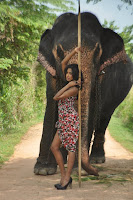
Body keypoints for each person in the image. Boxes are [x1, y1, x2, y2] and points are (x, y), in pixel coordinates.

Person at [50, 47, 97, 190]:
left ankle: (65, 179)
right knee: (54, 147)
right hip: (63, 120)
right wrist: (75, 51)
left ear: (75, 75)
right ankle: (65, 176)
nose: (68, 75)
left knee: (70, 149)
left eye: (71, 73)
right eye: (67, 73)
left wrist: (69, 85)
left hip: (70, 120)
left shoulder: (75, 88)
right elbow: (64, 62)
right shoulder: (68, 83)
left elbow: (56, 97)